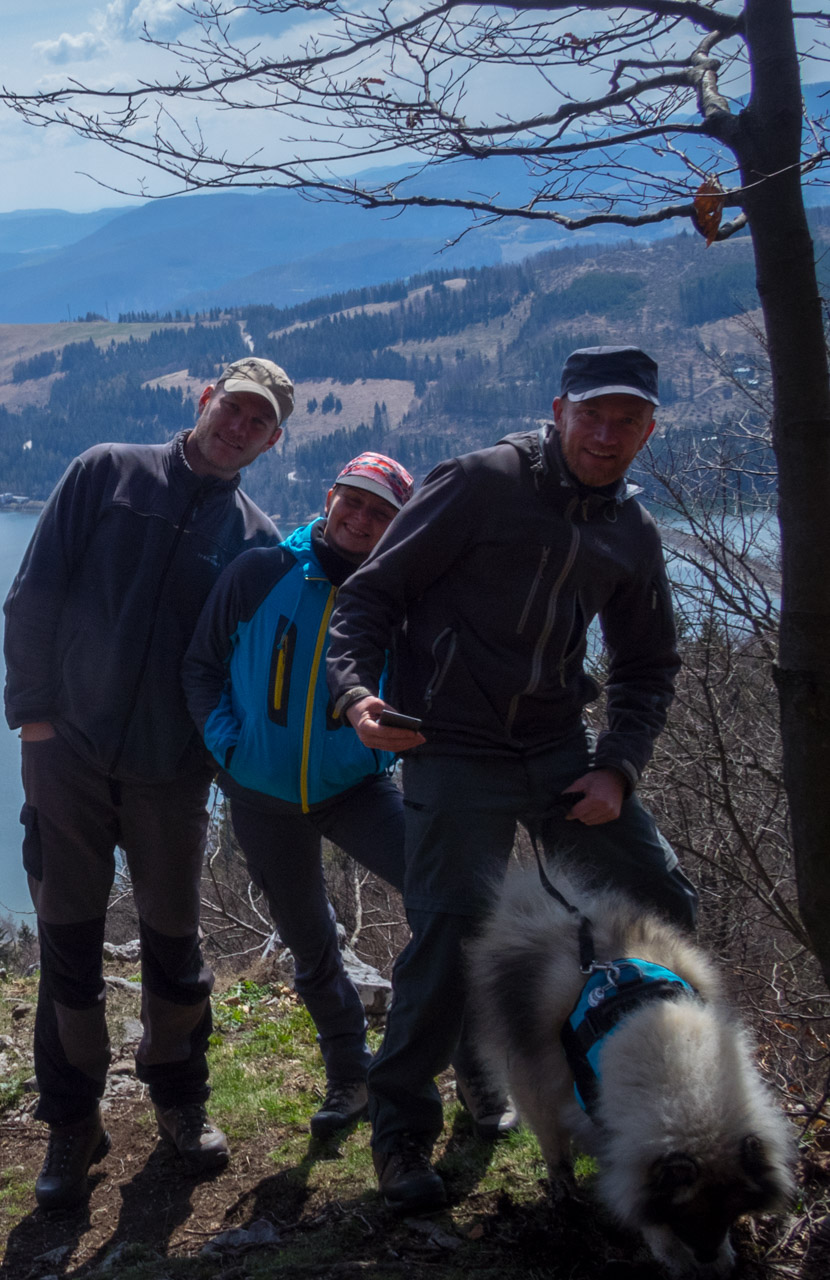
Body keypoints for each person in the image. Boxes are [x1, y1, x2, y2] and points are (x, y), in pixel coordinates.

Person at [326, 345, 699, 1214]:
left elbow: (648, 666)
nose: (607, 437)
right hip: (452, 747)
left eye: (628, 422)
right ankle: (402, 1130)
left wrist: (618, 766)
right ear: (560, 410)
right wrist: (356, 696)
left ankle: (627, 1090)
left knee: (663, 906)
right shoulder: (483, 482)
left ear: (649, 431)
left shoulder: (629, 531)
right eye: (593, 416)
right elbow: (370, 598)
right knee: (451, 935)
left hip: (562, 749)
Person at [3, 356, 290, 1212]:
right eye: (233, 407)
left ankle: (177, 1096)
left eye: (259, 423)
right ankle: (72, 1120)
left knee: (174, 945)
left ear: (272, 442)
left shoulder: (259, 544)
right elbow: (35, 595)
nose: (239, 427)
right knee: (69, 942)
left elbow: (248, 678)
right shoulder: (107, 472)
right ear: (203, 399)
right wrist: (36, 720)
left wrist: (213, 758)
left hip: (172, 775)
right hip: (70, 758)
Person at [181, 452, 414, 1138]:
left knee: (444, 893)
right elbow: (200, 666)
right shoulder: (262, 572)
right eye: (355, 501)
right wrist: (230, 750)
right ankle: (350, 1076)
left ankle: (460, 1059)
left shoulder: (395, 596)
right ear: (330, 495)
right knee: (310, 944)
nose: (361, 519)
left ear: (395, 525)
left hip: (356, 788)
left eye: (380, 512)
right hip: (262, 794)